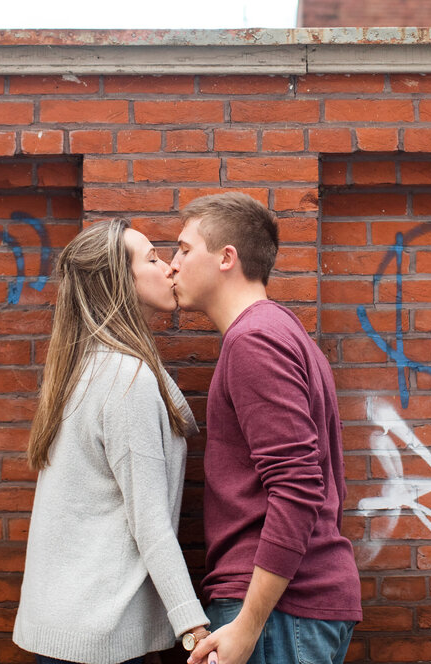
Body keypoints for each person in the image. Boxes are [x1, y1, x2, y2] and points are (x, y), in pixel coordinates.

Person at [169, 193, 362, 664]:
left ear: (226, 258)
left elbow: (297, 486)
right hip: (288, 609)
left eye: (184, 249)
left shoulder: (254, 340)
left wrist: (247, 626)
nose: (172, 265)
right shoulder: (278, 331)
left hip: (276, 612)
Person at [13, 219, 212, 664]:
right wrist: (193, 627)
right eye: (153, 258)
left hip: (69, 628)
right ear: (120, 281)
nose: (169, 269)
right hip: (99, 638)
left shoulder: (85, 367)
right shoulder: (126, 379)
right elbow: (150, 522)